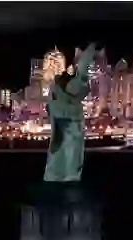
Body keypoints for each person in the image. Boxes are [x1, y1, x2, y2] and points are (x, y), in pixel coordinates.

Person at [43, 43, 97, 182]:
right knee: (67, 153)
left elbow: (79, 85)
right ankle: (65, 177)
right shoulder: (61, 84)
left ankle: (62, 177)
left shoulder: (59, 85)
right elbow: (78, 86)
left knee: (65, 153)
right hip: (67, 120)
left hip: (66, 119)